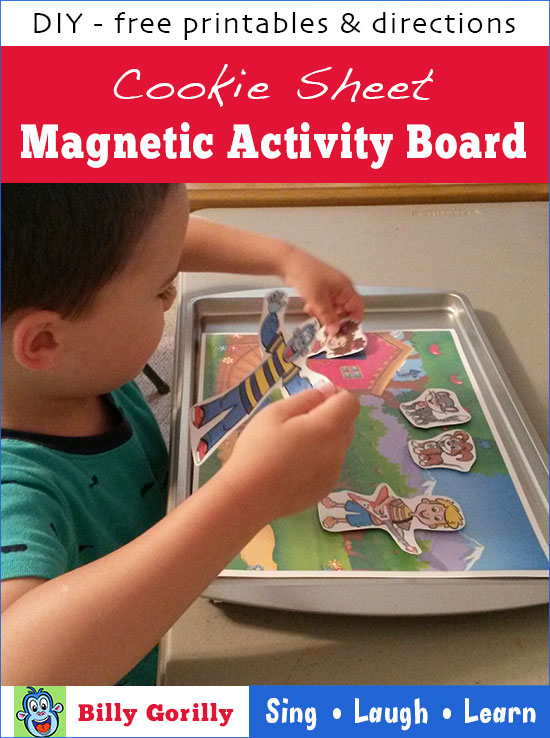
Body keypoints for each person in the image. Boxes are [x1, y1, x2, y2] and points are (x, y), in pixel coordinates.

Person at [1, 183, 362, 685]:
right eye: (162, 290)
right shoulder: (14, 491)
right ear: (44, 340)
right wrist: (247, 494)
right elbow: (16, 685)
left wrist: (285, 258)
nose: (173, 294)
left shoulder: (65, 364)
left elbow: (150, 242)